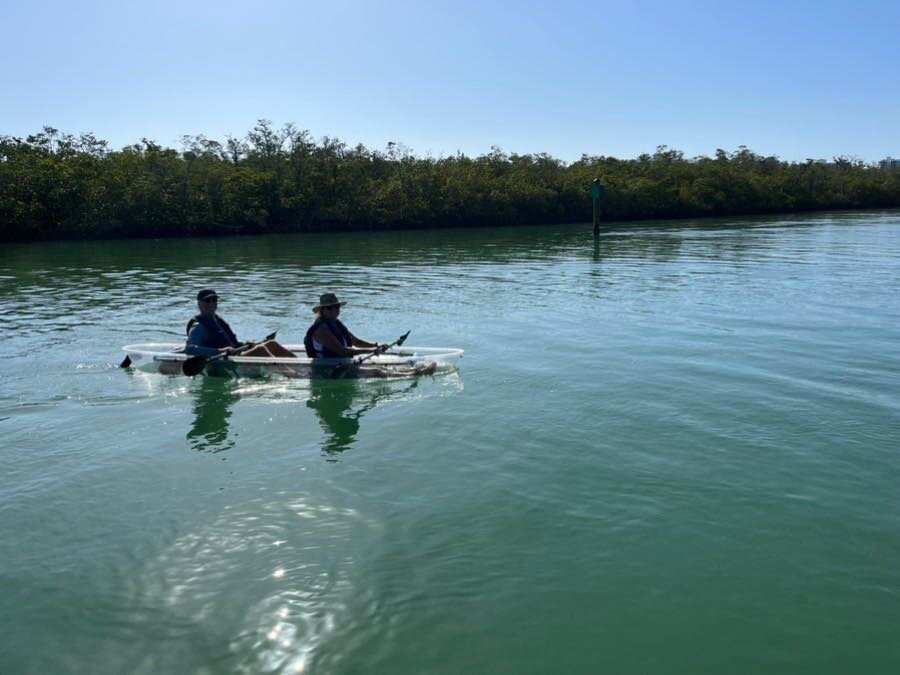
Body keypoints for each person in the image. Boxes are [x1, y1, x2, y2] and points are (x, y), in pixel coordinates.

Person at [303, 293, 436, 377]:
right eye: (334, 307)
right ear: (324, 310)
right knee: (376, 371)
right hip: (328, 370)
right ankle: (418, 373)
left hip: (341, 364)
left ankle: (415, 372)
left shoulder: (335, 323)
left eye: (338, 307)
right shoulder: (321, 330)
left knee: (377, 369)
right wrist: (372, 350)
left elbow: (355, 341)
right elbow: (343, 351)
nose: (338, 310)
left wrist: (376, 346)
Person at [185, 289, 295, 358]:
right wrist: (219, 351)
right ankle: (288, 374)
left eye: (214, 300)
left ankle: (301, 366)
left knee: (271, 343)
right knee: (260, 350)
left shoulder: (217, 320)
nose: (212, 304)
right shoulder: (199, 327)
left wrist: (244, 345)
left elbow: (232, 344)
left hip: (235, 355)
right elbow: (190, 349)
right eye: (207, 301)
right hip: (223, 359)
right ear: (199, 304)